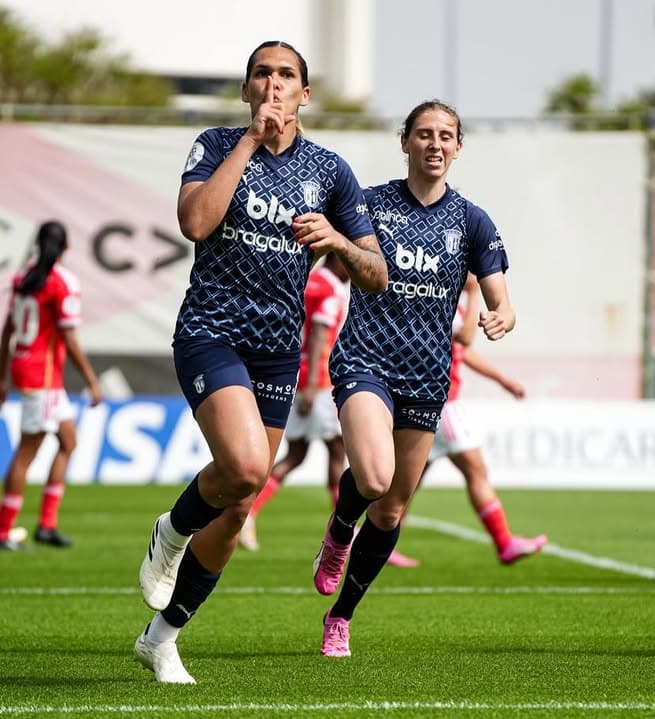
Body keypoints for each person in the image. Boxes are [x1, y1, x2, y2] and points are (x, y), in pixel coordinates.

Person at [133, 41, 384, 684]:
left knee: (241, 502)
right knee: (246, 467)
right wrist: (249, 141)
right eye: (262, 74)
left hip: (277, 352)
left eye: (287, 75)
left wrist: (338, 241)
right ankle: (172, 530)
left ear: (305, 93)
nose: (274, 84)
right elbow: (195, 222)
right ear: (247, 90)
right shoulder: (217, 144)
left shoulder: (330, 170)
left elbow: (377, 273)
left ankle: (162, 638)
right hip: (211, 333)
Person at [311, 99, 515, 659]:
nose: (434, 144)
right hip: (365, 360)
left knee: (391, 510)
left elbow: (500, 298)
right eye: (424, 134)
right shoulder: (369, 204)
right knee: (374, 478)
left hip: (427, 376)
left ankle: (341, 616)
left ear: (458, 147)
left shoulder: (472, 220)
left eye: (445, 135)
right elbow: (329, 257)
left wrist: (501, 315)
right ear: (405, 142)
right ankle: (339, 530)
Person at [387, 275, 545, 568]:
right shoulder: (447, 300)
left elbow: (463, 351)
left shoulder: (434, 297)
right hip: (443, 405)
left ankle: (374, 541)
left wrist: (502, 380)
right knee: (476, 471)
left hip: (425, 401)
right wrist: (473, 294)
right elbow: (466, 338)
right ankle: (504, 543)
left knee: (407, 483)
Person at [0, 221, 102, 551]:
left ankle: (46, 525)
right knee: (27, 452)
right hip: (41, 377)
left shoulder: (24, 277)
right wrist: (91, 380)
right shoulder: (62, 281)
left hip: (30, 370)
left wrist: (2, 376)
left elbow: (8, 329)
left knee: (68, 441)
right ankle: (3, 531)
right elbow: (69, 338)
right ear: (66, 247)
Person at [238, 252, 350, 552]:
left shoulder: (310, 282)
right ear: (337, 258)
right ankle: (343, 532)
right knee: (338, 450)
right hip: (319, 380)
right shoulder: (330, 288)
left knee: (296, 454)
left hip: (296, 374)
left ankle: (246, 514)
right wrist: (313, 385)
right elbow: (319, 336)